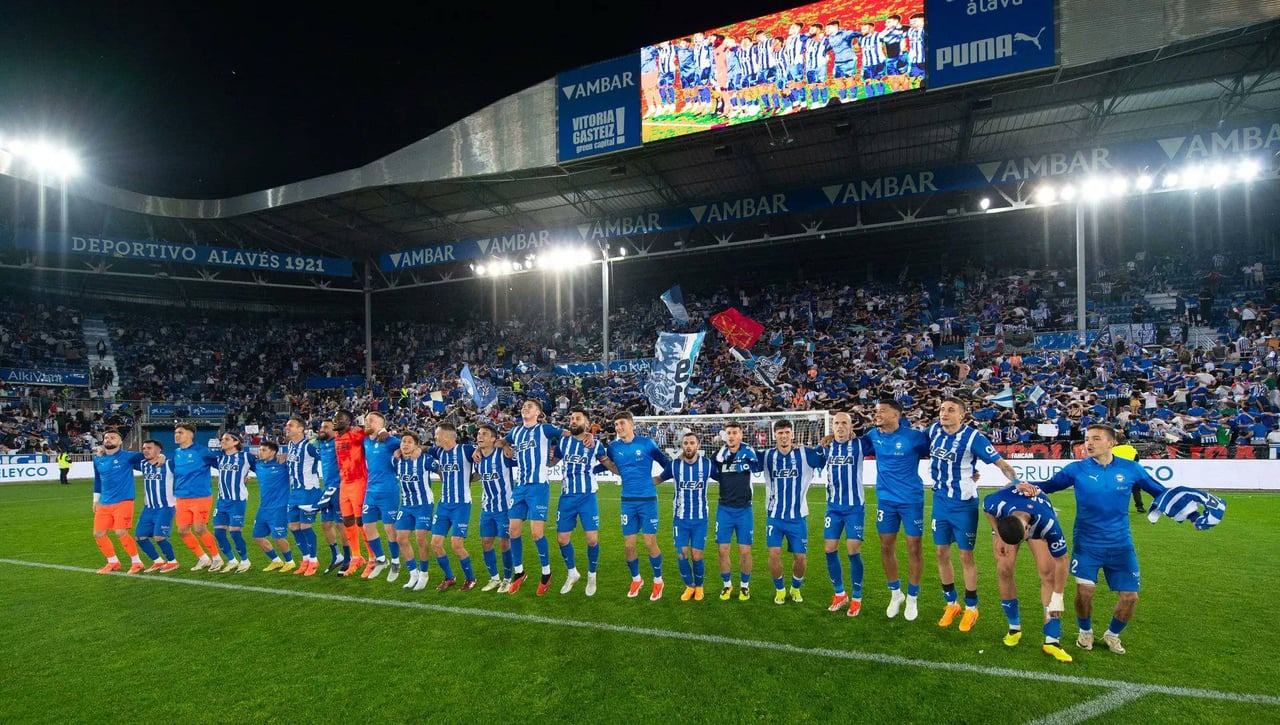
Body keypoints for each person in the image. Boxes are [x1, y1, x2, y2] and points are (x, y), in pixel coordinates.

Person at [1020, 424, 1167, 655]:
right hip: (1087, 543)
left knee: (1130, 597)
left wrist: (1186, 504)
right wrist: (1024, 487)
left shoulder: (1131, 469)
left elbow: (1161, 491)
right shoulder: (1077, 469)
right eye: (1086, 439)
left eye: (1096, 439)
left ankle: (1112, 635)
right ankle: (1085, 632)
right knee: (1085, 592)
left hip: (1121, 544)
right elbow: (1048, 486)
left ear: (1112, 443)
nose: (1088, 443)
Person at [927, 397, 1022, 633]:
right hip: (940, 501)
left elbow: (1000, 464)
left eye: (951, 410)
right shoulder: (933, 431)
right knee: (940, 552)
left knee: (965, 556)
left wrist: (1019, 482)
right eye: (942, 409)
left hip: (963, 504)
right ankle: (951, 604)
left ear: (962, 415)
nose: (944, 413)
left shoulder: (973, 438)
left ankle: (971, 607)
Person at [984, 484, 1074, 663]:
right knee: (1004, 569)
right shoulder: (998, 504)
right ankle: (1014, 628)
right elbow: (986, 506)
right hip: (1011, 519)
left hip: (1037, 518)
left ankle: (1052, 641)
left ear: (1027, 530)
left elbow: (1062, 561)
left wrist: (1059, 595)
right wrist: (997, 533)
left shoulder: (1048, 525)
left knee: (1048, 574)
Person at [864, 400, 931, 620]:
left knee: (914, 547)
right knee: (886, 546)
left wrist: (973, 470)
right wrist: (830, 438)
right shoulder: (873, 436)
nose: (877, 415)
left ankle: (912, 597)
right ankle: (896, 593)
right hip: (885, 501)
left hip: (911, 500)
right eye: (876, 412)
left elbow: (942, 451)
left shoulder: (914, 437)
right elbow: (850, 444)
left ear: (896, 415)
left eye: (882, 411)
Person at [500, 400, 564, 594]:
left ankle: (546, 573)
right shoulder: (516, 432)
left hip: (538, 487)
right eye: (524, 406)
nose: (525, 408)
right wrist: (504, 445)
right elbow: (503, 440)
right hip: (520, 487)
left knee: (536, 533)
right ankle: (519, 573)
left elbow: (567, 435)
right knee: (513, 531)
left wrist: (583, 436)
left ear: (538, 412)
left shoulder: (545, 429)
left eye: (530, 406)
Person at [607, 410, 672, 600]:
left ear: (632, 424)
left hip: (648, 500)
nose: (619, 427)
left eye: (622, 423)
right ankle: (636, 579)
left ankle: (658, 581)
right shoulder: (613, 447)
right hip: (627, 502)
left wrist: (659, 478)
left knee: (650, 542)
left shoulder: (646, 444)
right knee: (628, 546)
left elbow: (667, 463)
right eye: (616, 425)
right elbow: (604, 463)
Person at [762, 419, 824, 605]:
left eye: (787, 432)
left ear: (793, 434)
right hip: (774, 517)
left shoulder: (804, 455)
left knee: (800, 557)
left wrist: (827, 440)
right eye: (780, 433)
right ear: (775, 436)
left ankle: (795, 588)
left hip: (797, 517)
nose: (784, 436)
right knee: (773, 554)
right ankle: (780, 590)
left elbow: (827, 455)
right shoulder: (765, 456)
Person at [551, 408, 607, 596]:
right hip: (567, 496)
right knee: (562, 539)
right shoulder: (563, 442)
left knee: (592, 540)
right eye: (572, 418)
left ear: (587, 423)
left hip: (587, 496)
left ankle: (592, 576)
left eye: (578, 418)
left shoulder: (596, 444)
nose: (573, 421)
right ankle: (572, 573)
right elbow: (551, 462)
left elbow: (607, 463)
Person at [817, 412, 867, 616]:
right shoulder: (826, 447)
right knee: (829, 549)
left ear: (850, 426)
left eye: (844, 423)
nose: (840, 426)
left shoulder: (861, 444)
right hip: (833, 508)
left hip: (855, 507)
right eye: (836, 423)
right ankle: (840, 594)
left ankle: (856, 596)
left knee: (853, 551)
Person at [657, 432, 717, 602]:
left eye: (692, 443)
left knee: (697, 555)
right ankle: (689, 585)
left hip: (700, 519)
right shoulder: (674, 465)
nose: (689, 446)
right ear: (682, 446)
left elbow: (724, 479)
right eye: (686, 443)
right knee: (681, 554)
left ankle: (699, 586)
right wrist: (636, 480)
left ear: (698, 445)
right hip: (680, 519)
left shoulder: (707, 464)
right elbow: (659, 479)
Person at [713, 421, 762, 600]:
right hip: (724, 509)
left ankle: (744, 586)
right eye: (729, 433)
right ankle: (727, 585)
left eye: (735, 432)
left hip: (744, 510)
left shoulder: (750, 453)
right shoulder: (719, 455)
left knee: (745, 551)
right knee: (722, 550)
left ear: (741, 435)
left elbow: (760, 465)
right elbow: (711, 471)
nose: (731, 436)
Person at [429, 423, 478, 592]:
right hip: (443, 505)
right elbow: (421, 448)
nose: (435, 438)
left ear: (448, 436)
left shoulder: (466, 450)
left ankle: (471, 578)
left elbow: (483, 456)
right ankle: (450, 577)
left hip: (461, 505)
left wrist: (475, 476)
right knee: (435, 544)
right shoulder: (438, 451)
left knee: (456, 545)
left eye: (437, 434)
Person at [90, 431, 146, 574]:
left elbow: (150, 455)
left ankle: (136, 562)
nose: (109, 439)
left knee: (120, 532)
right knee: (98, 533)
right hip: (104, 502)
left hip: (124, 500)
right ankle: (113, 562)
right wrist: (96, 500)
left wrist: (162, 456)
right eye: (106, 437)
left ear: (120, 442)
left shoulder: (128, 456)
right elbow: (98, 480)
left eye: (113, 437)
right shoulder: (98, 459)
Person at [171, 423, 223, 571]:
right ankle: (203, 558)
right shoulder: (176, 453)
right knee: (182, 531)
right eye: (175, 432)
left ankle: (217, 558)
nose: (176, 435)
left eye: (180, 432)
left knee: (200, 528)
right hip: (182, 497)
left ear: (190, 434)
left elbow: (221, 465)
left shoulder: (202, 451)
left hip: (200, 496)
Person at [474, 424, 517, 592]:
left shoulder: (503, 455)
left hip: (505, 508)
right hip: (487, 508)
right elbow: (476, 475)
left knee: (504, 544)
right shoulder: (477, 458)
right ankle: (494, 578)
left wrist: (505, 444)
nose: (480, 436)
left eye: (484, 434)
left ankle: (507, 578)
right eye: (478, 433)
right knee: (486, 543)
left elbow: (519, 456)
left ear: (493, 439)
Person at [360, 411, 402, 580]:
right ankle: (381, 559)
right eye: (366, 420)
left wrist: (397, 448)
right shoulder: (365, 441)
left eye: (371, 420)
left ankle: (395, 562)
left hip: (389, 490)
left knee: (389, 528)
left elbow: (407, 445)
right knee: (367, 525)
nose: (367, 423)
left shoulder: (389, 440)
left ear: (381, 424)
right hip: (371, 490)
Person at [394, 431, 435, 592]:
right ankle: (413, 573)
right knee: (401, 538)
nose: (405, 444)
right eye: (403, 441)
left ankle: (424, 574)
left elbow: (440, 467)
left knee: (420, 538)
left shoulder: (425, 460)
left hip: (424, 504)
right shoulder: (396, 461)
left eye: (409, 442)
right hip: (406, 505)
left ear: (416, 445)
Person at [332, 410, 370, 577]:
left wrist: (380, 431)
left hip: (359, 481)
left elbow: (370, 432)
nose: (335, 420)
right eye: (335, 418)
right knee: (347, 521)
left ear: (349, 422)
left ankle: (373, 558)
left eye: (339, 419)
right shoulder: (336, 437)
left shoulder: (355, 434)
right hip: (344, 483)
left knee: (361, 521)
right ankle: (356, 556)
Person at [284, 416, 323, 576]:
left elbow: (326, 458)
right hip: (295, 493)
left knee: (305, 526)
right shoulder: (290, 445)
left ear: (301, 428)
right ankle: (305, 559)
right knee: (293, 526)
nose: (287, 428)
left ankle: (314, 560)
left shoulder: (309, 445)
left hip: (309, 492)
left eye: (291, 425)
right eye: (287, 425)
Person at [211, 432, 254, 574]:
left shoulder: (246, 457)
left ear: (236, 442)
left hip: (237, 501)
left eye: (226, 439)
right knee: (218, 533)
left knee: (235, 532)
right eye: (222, 439)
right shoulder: (219, 458)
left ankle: (245, 560)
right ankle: (231, 560)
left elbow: (263, 468)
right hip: (222, 501)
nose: (222, 441)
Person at [313, 419, 352, 574]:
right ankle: (337, 555)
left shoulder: (340, 442)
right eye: (321, 426)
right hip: (327, 488)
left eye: (326, 427)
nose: (322, 429)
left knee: (340, 524)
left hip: (340, 487)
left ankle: (349, 558)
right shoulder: (320, 443)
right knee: (325, 524)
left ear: (334, 430)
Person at [135, 439, 180, 573]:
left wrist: (164, 457)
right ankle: (158, 561)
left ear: (159, 450)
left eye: (149, 448)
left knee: (159, 537)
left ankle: (172, 562)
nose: (145, 451)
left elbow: (180, 461)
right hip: (149, 508)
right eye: (144, 448)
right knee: (140, 537)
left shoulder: (168, 464)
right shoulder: (143, 464)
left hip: (165, 507)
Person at [250, 441, 295, 572]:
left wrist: (286, 454)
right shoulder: (258, 465)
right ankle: (276, 561)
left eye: (263, 450)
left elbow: (299, 455)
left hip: (280, 507)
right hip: (263, 507)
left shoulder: (283, 464)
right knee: (257, 536)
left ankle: (290, 561)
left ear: (273, 451)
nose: (260, 452)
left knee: (278, 537)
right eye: (259, 450)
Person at [1111, 439, 1146, 513]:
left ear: (1116, 441)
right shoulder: (1131, 449)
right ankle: (1140, 506)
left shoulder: (1112, 450)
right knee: (1136, 490)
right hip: (1131, 471)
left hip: (1119, 473)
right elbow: (1137, 459)